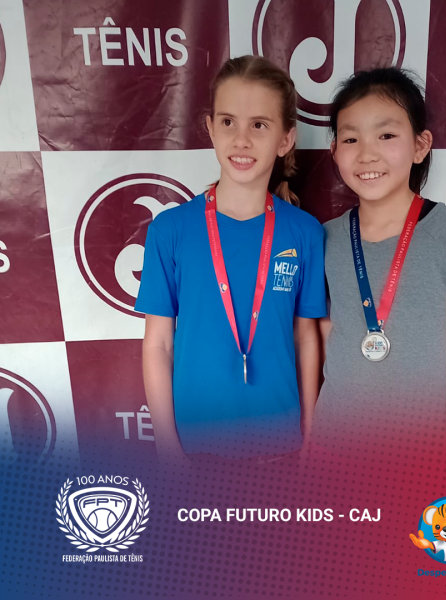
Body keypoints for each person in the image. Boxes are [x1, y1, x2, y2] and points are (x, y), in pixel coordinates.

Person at [135, 56, 326, 464]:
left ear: (286, 139)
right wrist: (169, 452)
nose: (241, 140)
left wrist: (309, 438)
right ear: (210, 129)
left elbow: (305, 337)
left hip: (281, 447)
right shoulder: (170, 230)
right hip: (195, 451)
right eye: (228, 122)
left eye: (259, 125)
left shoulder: (305, 232)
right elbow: (158, 344)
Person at [312, 68, 446, 460]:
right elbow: (326, 339)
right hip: (333, 450)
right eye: (351, 139)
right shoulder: (324, 238)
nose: (367, 154)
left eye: (386, 135)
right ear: (335, 151)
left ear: (420, 145)